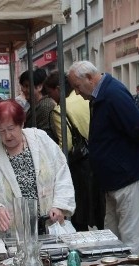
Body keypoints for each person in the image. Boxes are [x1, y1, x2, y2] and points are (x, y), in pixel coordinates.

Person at [67, 60, 139, 264]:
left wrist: (120, 159)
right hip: (115, 179)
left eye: (77, 87)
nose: (77, 93)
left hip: (128, 176)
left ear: (89, 78)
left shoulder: (112, 94)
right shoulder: (102, 95)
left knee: (132, 239)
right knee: (112, 238)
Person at [0, 99, 75, 234]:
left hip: (51, 227)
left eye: (11, 128)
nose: (7, 136)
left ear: (22, 123)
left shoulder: (41, 139)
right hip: (14, 234)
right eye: (1, 131)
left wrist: (60, 205)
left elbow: (62, 173)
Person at [43, 70, 104, 231]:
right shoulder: (86, 99)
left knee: (80, 216)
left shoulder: (60, 110)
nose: (51, 97)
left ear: (57, 89)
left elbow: (66, 145)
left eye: (50, 93)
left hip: (80, 169)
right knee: (101, 211)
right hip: (97, 160)